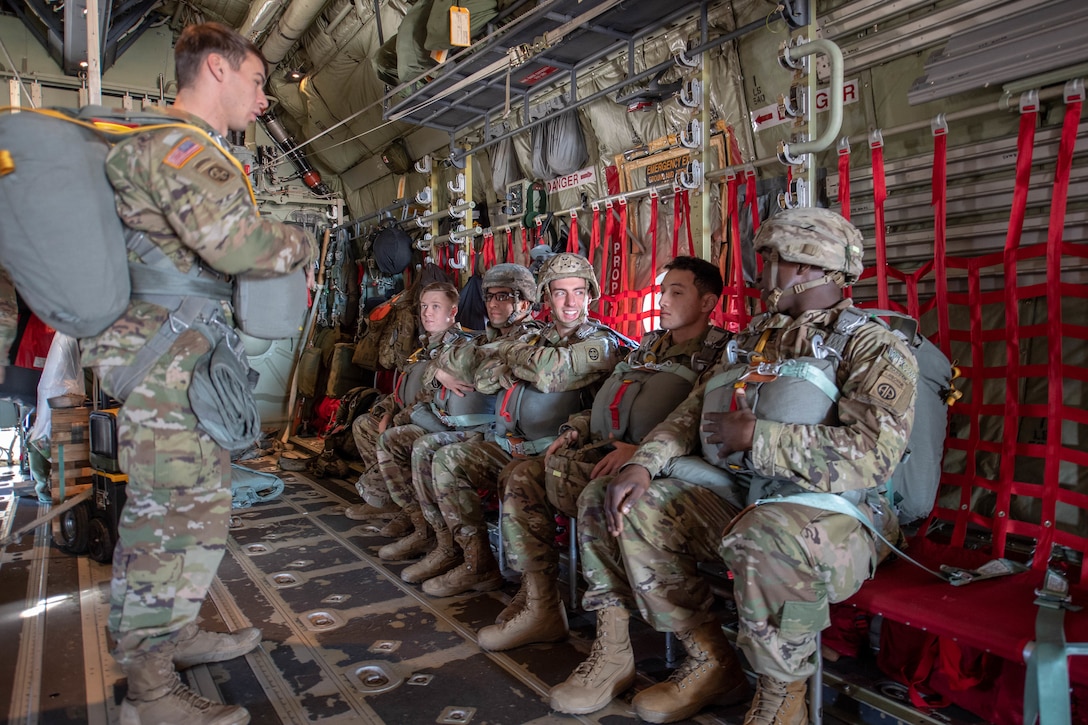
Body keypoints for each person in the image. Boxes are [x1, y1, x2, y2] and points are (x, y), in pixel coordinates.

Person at [550, 207, 917, 725]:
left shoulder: (872, 345)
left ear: (809, 266)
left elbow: (874, 456)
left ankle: (782, 692)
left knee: (765, 536)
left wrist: (761, 438)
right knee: (616, 500)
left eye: (773, 260)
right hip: (747, 495)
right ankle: (705, 659)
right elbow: (693, 410)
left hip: (838, 515)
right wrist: (646, 466)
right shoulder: (755, 336)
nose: (763, 271)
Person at [76, 22, 317, 725]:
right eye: (257, 78)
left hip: (179, 359)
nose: (264, 98)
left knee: (192, 510)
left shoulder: (178, 149)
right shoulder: (181, 148)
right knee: (169, 523)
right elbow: (239, 245)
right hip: (166, 363)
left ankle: (174, 637)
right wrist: (298, 239)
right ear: (216, 68)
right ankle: (149, 694)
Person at [476, 256, 727, 652]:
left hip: (663, 471)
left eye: (675, 293)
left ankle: (616, 646)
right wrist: (576, 427)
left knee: (597, 495)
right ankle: (541, 602)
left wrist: (641, 454)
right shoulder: (649, 346)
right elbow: (608, 400)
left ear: (708, 302)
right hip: (608, 451)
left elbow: (699, 422)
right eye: (662, 292)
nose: (661, 301)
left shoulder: (720, 356)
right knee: (523, 474)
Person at [419, 253, 631, 598]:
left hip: (556, 452)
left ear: (590, 295)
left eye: (578, 291)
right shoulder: (536, 341)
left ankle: (536, 597)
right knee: (448, 460)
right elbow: (483, 378)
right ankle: (476, 561)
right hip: (510, 445)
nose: (570, 302)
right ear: (546, 298)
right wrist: (518, 359)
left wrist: (510, 356)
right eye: (560, 293)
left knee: (520, 478)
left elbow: (549, 374)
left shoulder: (599, 343)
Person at [374, 264, 538, 573]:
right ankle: (431, 535)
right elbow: (432, 377)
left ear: (525, 303)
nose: (493, 304)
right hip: (480, 430)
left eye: (504, 297)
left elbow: (479, 375)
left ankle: (470, 558)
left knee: (431, 451)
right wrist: (438, 374)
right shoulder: (481, 341)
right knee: (394, 439)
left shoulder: (531, 343)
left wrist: (450, 370)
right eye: (489, 296)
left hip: (494, 434)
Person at [344, 281, 468, 535]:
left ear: (452, 311)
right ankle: (386, 499)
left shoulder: (460, 347)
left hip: (432, 424)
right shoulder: (423, 347)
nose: (427, 313)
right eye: (424, 306)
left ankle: (412, 513)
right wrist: (385, 411)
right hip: (407, 416)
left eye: (435, 306)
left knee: (395, 438)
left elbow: (428, 397)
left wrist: (396, 419)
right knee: (363, 425)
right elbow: (404, 385)